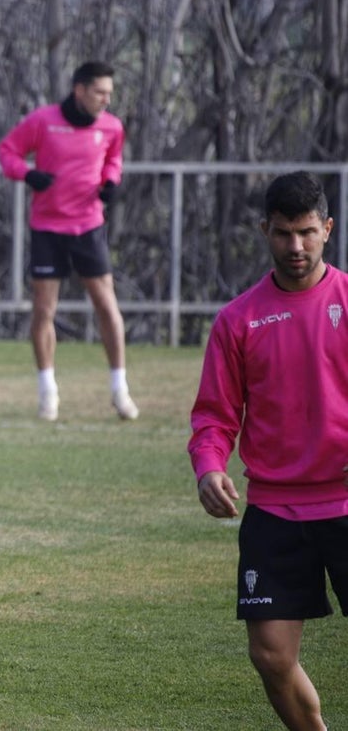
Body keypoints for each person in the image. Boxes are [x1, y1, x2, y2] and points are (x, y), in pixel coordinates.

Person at [188, 171, 347, 731]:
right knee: (271, 654)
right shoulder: (239, 319)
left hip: (346, 501)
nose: (296, 247)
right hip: (276, 508)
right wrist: (209, 467)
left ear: (327, 228)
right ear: (265, 231)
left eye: (307, 232)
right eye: (283, 234)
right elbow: (214, 414)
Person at [0, 61, 139, 422]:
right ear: (80, 90)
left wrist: (111, 179)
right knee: (44, 310)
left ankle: (120, 389)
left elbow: (114, 159)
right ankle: (48, 393)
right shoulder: (44, 120)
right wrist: (28, 174)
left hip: (89, 227)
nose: (107, 99)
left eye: (110, 92)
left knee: (106, 304)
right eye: (100, 92)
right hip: (47, 227)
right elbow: (7, 151)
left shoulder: (111, 126)